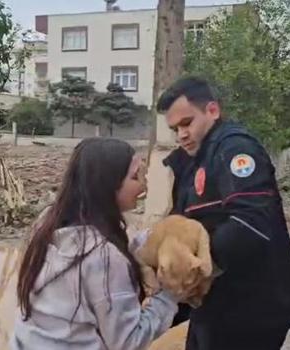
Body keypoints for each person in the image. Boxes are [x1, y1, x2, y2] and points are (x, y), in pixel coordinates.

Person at [157, 77, 290, 349]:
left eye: (187, 123)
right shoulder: (194, 161)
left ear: (212, 111)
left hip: (251, 307)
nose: (181, 135)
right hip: (216, 303)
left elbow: (251, 222)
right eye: (175, 129)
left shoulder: (235, 149)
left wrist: (196, 267)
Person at [12, 138, 179, 350]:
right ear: (108, 183)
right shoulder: (103, 256)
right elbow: (129, 341)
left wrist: (150, 241)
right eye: (135, 176)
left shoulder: (47, 223)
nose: (143, 185)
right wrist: (171, 293)